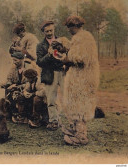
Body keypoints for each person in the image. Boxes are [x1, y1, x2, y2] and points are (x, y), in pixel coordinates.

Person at [53, 16, 100, 145]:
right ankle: (75, 129)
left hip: (82, 78)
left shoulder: (83, 38)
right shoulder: (80, 38)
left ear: (74, 26)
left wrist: (65, 59)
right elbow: (74, 51)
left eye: (69, 27)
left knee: (79, 105)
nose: (68, 30)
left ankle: (81, 136)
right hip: (79, 76)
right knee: (73, 103)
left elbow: (81, 58)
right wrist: (65, 50)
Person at [36, 20, 65, 131]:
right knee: (51, 100)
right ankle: (53, 121)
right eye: (46, 31)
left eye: (51, 30)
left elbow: (67, 55)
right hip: (49, 74)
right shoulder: (40, 45)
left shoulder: (61, 41)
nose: (49, 33)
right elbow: (39, 62)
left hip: (62, 72)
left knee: (67, 96)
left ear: (54, 29)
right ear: (43, 32)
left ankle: (72, 120)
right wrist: (49, 54)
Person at [0, 52, 28, 123]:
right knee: (8, 90)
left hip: (27, 89)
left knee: (17, 94)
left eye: (16, 60)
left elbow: (30, 83)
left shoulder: (28, 67)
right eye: (13, 60)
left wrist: (18, 87)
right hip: (16, 88)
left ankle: (22, 115)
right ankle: (11, 113)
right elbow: (9, 79)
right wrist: (6, 84)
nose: (14, 62)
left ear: (22, 59)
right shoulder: (13, 68)